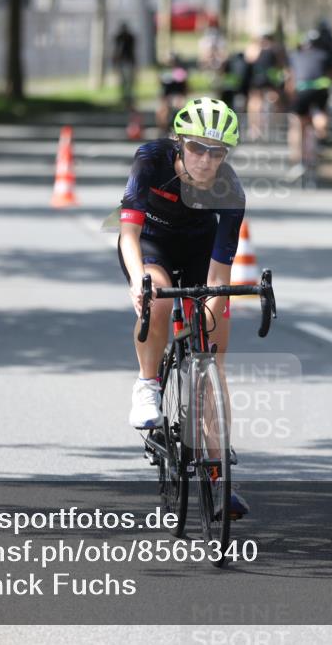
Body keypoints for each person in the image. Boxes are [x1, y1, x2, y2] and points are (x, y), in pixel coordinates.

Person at [117, 96, 249, 517]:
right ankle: (147, 383)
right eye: (196, 148)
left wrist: (212, 308)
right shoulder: (151, 160)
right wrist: (138, 280)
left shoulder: (231, 191)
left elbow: (218, 274)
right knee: (156, 298)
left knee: (212, 352)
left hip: (198, 248)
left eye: (216, 152)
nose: (206, 160)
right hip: (151, 244)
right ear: (179, 142)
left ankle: (218, 473)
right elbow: (127, 235)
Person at [285, 29, 332, 178]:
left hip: (302, 90)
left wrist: (290, 96)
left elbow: (290, 80)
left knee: (296, 124)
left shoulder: (295, 55)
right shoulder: (325, 54)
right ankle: (321, 136)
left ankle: (297, 159)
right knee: (320, 113)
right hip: (321, 89)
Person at [244, 31, 286, 140]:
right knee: (268, 100)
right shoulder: (274, 48)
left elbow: (248, 59)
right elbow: (281, 63)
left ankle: (255, 128)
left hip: (261, 77)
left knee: (258, 101)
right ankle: (261, 127)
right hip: (265, 78)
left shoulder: (255, 48)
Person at [156, 53, 189, 135]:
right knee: (161, 111)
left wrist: (181, 97)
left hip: (178, 95)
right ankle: (163, 130)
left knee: (179, 106)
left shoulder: (180, 72)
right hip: (168, 97)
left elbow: (184, 87)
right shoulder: (163, 73)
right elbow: (163, 89)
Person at [112, 23, 137, 109]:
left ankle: (128, 97)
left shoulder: (129, 38)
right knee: (124, 81)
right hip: (124, 61)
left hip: (127, 61)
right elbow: (117, 50)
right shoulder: (120, 38)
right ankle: (126, 96)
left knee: (128, 81)